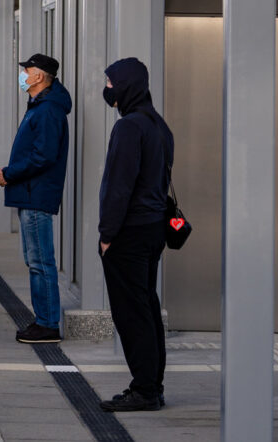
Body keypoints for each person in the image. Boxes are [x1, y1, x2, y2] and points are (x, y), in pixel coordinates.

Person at [96, 57, 172, 413]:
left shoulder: (128, 128)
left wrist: (107, 234)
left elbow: (119, 187)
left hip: (129, 232)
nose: (107, 89)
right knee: (147, 306)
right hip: (154, 227)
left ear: (126, 85)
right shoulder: (158, 125)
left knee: (131, 313)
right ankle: (152, 384)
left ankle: (143, 389)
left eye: (111, 83)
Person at [0, 54, 71, 345]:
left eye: (27, 70)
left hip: (36, 194)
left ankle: (48, 324)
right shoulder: (41, 106)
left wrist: (9, 174)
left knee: (40, 261)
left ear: (39, 77)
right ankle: (44, 320)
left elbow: (43, 156)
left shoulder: (48, 110)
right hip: (31, 192)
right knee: (35, 259)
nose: (22, 74)